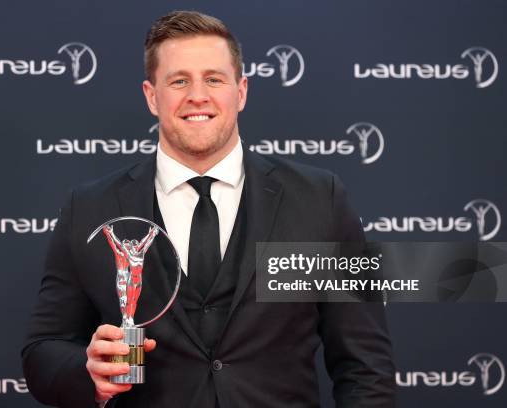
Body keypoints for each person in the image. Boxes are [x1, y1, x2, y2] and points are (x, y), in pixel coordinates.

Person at [22, 10, 396, 407]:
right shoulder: (90, 207)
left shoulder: (320, 198)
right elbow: (43, 351)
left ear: (241, 91)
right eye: (179, 80)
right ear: (152, 96)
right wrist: (88, 372)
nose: (197, 96)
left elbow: (365, 365)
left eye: (214, 79)